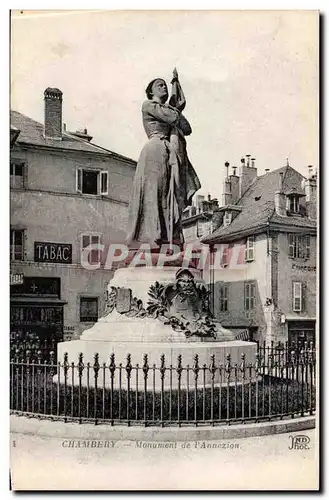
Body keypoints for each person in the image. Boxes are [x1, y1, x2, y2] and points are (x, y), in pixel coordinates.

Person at [126, 70, 201, 248]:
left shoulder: (166, 108)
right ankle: (152, 236)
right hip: (154, 151)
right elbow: (174, 117)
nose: (164, 87)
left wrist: (175, 108)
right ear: (151, 91)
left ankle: (168, 235)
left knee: (170, 193)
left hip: (169, 153)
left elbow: (187, 128)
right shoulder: (149, 105)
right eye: (159, 85)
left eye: (165, 85)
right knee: (154, 193)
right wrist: (176, 108)